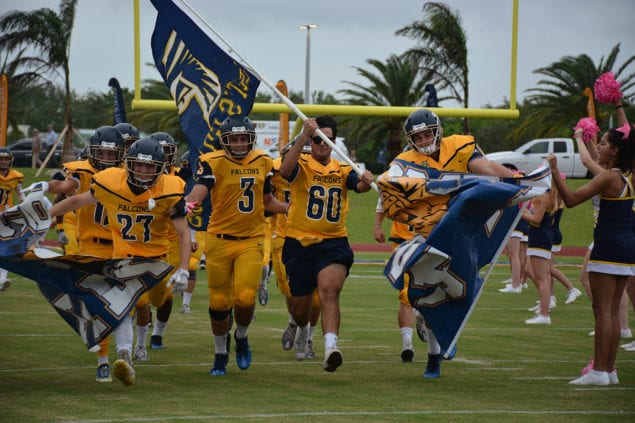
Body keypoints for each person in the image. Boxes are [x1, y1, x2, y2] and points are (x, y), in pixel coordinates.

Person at [383, 109, 515, 378]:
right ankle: (434, 357)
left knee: (461, 292)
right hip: (428, 235)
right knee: (425, 296)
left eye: (426, 133)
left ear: (437, 130)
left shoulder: (459, 146)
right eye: (416, 136)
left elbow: (488, 171)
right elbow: (390, 180)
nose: (422, 139)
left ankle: (445, 338)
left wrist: (519, 181)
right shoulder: (405, 161)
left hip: (461, 234)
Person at [50, 137, 191, 385]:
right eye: (139, 165)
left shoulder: (170, 189)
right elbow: (75, 200)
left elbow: (182, 233)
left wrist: (182, 269)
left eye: (150, 167)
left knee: (159, 301)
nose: (144, 171)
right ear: (129, 164)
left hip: (156, 263)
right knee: (122, 306)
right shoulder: (111, 183)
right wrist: (43, 216)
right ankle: (125, 355)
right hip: (124, 258)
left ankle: (145, 338)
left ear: (160, 168)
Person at [186, 114, 289, 376]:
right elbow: (201, 189)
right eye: (235, 139)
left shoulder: (263, 161)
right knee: (219, 302)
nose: (241, 143)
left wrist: (290, 208)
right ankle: (221, 353)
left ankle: (241, 336)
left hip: (251, 239)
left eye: (244, 138)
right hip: (219, 239)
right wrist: (188, 204)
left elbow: (267, 202)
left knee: (244, 298)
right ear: (225, 141)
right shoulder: (213, 162)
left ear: (251, 139)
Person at [279, 115, 374, 372]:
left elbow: (360, 186)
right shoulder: (301, 162)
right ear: (312, 140)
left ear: (334, 142)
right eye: (318, 139)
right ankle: (301, 327)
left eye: (328, 140)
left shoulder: (343, 168)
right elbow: (285, 172)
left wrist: (366, 179)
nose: (323, 145)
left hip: (333, 243)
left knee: (329, 292)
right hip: (299, 243)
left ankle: (331, 347)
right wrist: (303, 136)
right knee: (301, 309)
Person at [548, 122, 635, 386]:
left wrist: (553, 172)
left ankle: (600, 370)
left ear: (616, 151)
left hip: (608, 247)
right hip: (625, 248)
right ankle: (609, 370)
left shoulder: (609, 177)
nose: (599, 146)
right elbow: (591, 160)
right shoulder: (625, 179)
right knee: (610, 313)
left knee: (603, 311)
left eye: (604, 144)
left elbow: (572, 200)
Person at [47, 125, 126, 382]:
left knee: (124, 302)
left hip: (121, 245)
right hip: (91, 245)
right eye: (101, 153)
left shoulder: (127, 174)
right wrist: (48, 185)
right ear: (92, 152)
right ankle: (103, 360)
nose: (106, 159)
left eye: (112, 154)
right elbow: (64, 186)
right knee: (95, 303)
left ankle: (124, 356)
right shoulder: (82, 171)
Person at [270, 141, 321, 358]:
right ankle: (294, 322)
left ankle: (307, 338)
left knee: (317, 298)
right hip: (285, 237)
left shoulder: (324, 173)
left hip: (318, 238)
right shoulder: (276, 171)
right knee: (292, 292)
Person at [0, 147, 25, 290]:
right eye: (1, 159)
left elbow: (21, 195)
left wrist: (25, 206)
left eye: (6, 159)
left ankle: (2, 280)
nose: (3, 162)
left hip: (6, 215)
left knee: (5, 247)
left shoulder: (16, 177)